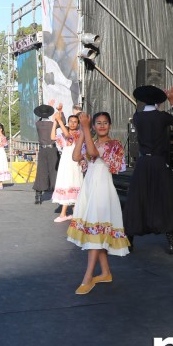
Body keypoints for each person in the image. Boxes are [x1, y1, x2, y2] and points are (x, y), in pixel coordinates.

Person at [66, 111, 130, 294]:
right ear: (94, 126)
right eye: (98, 123)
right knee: (96, 230)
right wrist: (82, 131)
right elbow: (76, 156)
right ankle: (105, 272)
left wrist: (86, 129)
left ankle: (88, 278)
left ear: (110, 125)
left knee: (95, 230)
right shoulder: (91, 140)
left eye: (105, 123)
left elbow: (94, 154)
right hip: (89, 188)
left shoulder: (114, 144)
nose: (102, 126)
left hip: (102, 191)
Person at [123, 85, 173, 254]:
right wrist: (172, 102)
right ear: (158, 101)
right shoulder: (162, 117)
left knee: (137, 199)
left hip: (143, 163)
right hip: (159, 163)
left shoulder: (137, 117)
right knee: (167, 199)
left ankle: (129, 242)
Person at [51, 108, 83, 222]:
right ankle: (74, 213)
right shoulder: (64, 134)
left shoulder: (79, 134)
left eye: (75, 122)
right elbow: (52, 137)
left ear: (78, 124)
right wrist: (55, 122)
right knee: (67, 183)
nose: (73, 124)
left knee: (73, 183)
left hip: (74, 162)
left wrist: (60, 121)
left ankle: (64, 214)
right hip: (65, 162)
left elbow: (68, 136)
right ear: (68, 123)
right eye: (71, 122)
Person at [33, 104, 59, 204]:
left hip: (43, 150)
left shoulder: (38, 124)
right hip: (52, 149)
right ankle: (57, 193)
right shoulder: (52, 124)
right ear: (49, 114)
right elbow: (63, 122)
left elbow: (40, 120)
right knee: (54, 171)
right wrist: (58, 111)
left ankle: (38, 195)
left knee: (41, 171)